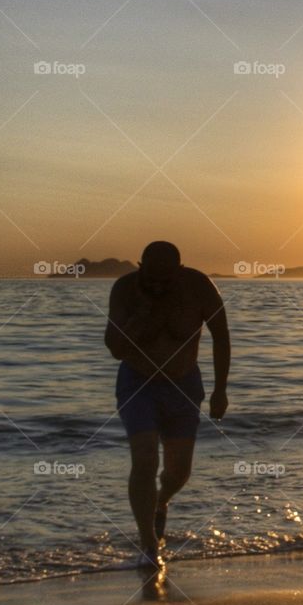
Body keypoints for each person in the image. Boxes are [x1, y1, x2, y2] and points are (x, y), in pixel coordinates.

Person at [104, 241, 230, 570]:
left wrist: (220, 390)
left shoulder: (199, 287)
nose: (158, 284)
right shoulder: (125, 290)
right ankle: (148, 544)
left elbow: (221, 336)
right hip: (138, 382)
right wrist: (142, 312)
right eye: (151, 276)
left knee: (179, 471)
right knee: (144, 459)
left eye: (166, 278)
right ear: (140, 266)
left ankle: (161, 502)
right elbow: (115, 349)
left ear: (180, 270)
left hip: (183, 383)